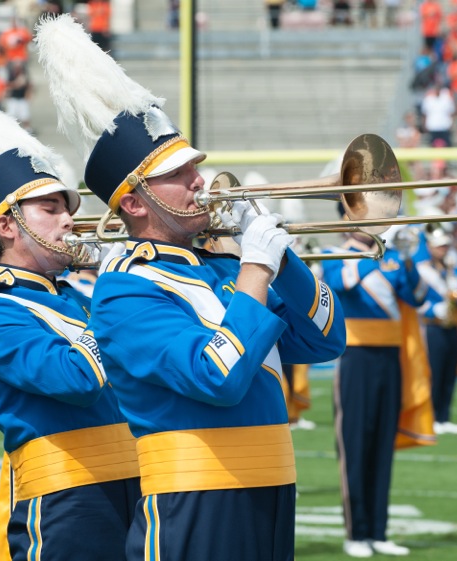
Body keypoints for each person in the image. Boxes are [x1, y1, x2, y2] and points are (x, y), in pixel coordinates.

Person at [35, 14, 346, 561]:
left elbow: (325, 340)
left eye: (195, 167)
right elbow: (216, 376)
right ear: (133, 202)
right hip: (193, 498)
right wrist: (254, 267)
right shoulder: (124, 290)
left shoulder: (224, 267)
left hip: (272, 487)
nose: (199, 180)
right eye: (179, 174)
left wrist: (279, 257)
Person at [0, 104, 140, 561]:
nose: (69, 220)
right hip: (66, 501)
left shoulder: (77, 297)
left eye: (67, 210)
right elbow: (77, 380)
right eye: (50, 209)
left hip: (137, 485)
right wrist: (116, 287)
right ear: (7, 225)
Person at [321, 226, 429, 558]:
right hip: (357, 357)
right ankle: (356, 532)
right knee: (355, 444)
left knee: (383, 444)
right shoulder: (332, 254)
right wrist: (379, 255)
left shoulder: (393, 258)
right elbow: (340, 283)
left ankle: (378, 531)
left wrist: (408, 259)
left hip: (390, 358)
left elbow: (418, 298)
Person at [415, 223, 457, 435]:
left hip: (452, 325)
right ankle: (432, 416)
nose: (443, 249)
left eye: (445, 246)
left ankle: (444, 416)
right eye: (439, 246)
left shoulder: (451, 268)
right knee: (434, 372)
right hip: (432, 327)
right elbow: (415, 300)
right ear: (429, 247)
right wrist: (432, 310)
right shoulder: (422, 270)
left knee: (449, 372)